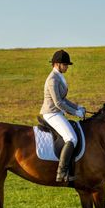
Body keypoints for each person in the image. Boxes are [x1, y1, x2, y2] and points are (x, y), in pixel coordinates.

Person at [40, 49, 86, 182]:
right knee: (71, 138)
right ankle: (61, 173)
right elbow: (58, 102)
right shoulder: (52, 80)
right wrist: (75, 112)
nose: (67, 67)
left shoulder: (59, 77)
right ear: (57, 64)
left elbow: (64, 99)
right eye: (65, 65)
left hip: (57, 112)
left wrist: (78, 107)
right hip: (51, 113)